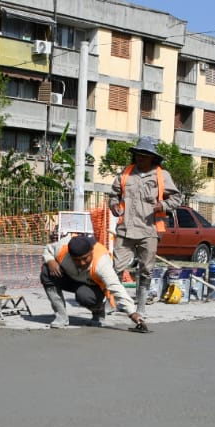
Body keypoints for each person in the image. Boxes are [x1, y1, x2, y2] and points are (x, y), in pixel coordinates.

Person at [108, 137, 181, 317]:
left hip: (149, 231)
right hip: (125, 229)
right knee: (116, 268)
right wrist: (114, 205)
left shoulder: (162, 175)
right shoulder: (126, 173)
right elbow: (113, 195)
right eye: (137, 155)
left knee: (146, 270)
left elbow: (176, 198)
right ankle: (115, 303)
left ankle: (140, 306)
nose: (140, 159)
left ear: (152, 158)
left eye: (144, 156)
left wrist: (162, 206)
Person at [42, 234, 148, 332]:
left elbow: (116, 287)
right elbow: (48, 249)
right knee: (46, 271)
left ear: (92, 251)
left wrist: (132, 313)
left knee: (84, 296)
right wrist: (50, 261)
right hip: (71, 278)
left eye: (85, 258)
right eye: (77, 260)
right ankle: (61, 316)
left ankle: (98, 310)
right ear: (70, 255)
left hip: (92, 286)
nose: (82, 263)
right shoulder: (62, 247)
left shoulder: (102, 263)